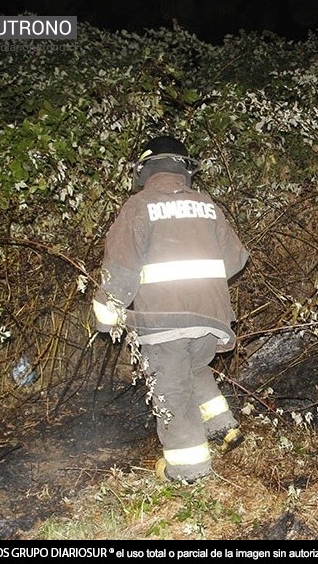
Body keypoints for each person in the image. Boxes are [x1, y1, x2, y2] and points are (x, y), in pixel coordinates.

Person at [92, 135, 249, 483]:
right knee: (193, 369)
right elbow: (236, 259)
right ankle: (222, 425)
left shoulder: (139, 205)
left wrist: (106, 314)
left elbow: (120, 267)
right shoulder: (207, 204)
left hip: (164, 320)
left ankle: (190, 470)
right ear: (185, 170)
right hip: (211, 318)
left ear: (145, 170)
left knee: (172, 392)